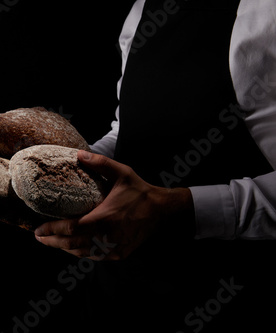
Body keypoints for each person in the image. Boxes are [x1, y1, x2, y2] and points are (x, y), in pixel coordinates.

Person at [33, 0, 275, 330]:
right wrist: (58, 164)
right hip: (118, 298)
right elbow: (128, 130)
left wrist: (174, 210)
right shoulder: (143, 10)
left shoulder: (265, 15)